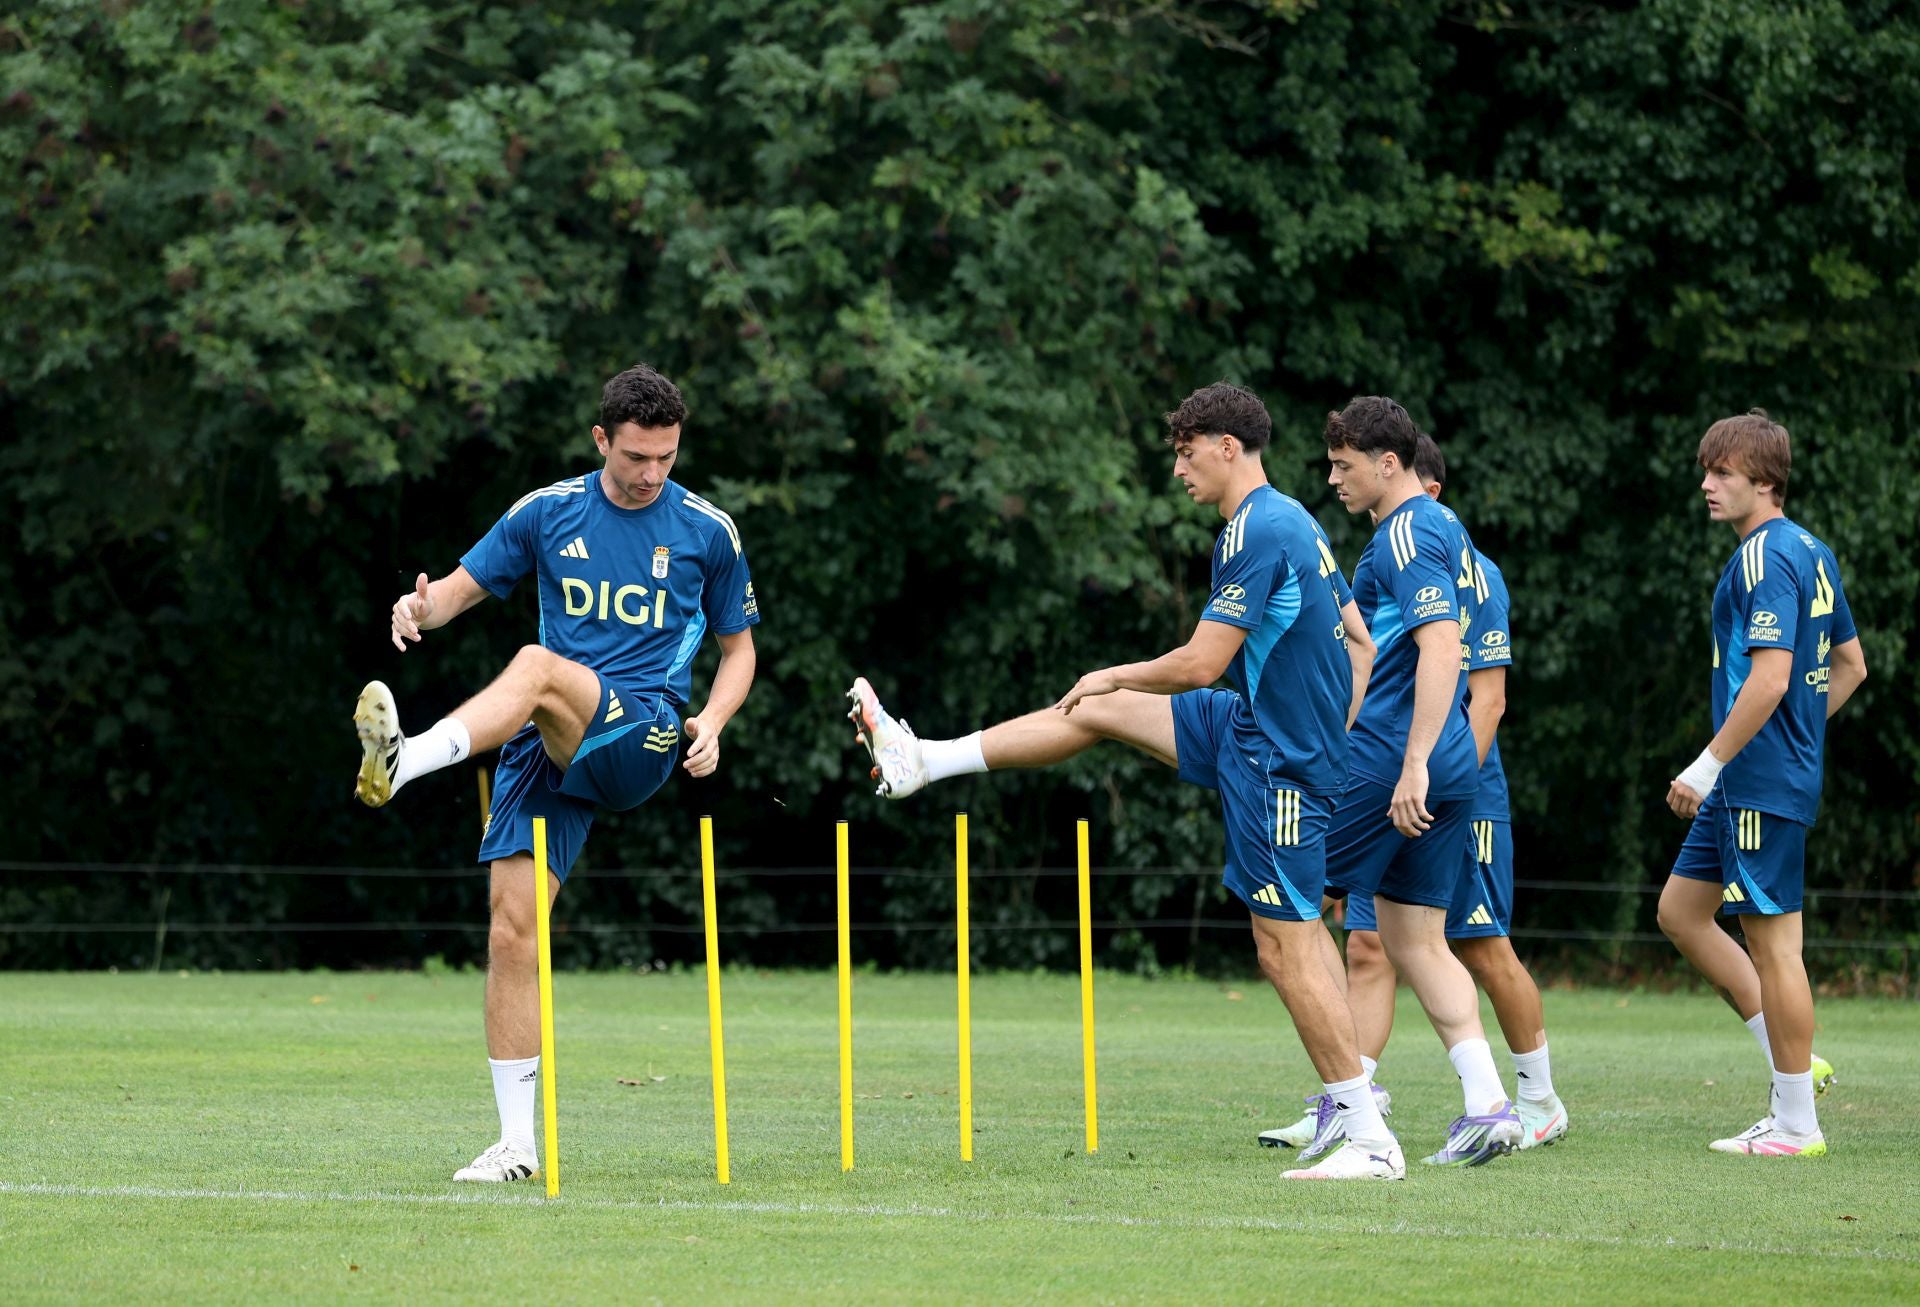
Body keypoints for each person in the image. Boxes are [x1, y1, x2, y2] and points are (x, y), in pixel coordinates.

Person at [848, 381, 1408, 1180]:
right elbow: (1359, 639)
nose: (1178, 470)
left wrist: (1117, 669)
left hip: (1279, 763)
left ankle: (1369, 1138)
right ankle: (924, 760)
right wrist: (1328, 722)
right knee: (1097, 712)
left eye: (1186, 454)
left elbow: (1200, 661)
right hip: (1249, 729)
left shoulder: (1259, 527)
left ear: (1226, 447)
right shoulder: (1294, 521)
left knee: (1283, 944)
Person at [351, 363, 760, 1182]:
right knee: (511, 932)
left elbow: (738, 651)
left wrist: (711, 721)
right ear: (601, 439)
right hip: (546, 742)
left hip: (642, 732)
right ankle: (515, 1145)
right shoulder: (547, 512)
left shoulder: (708, 532)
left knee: (537, 665)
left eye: (667, 458)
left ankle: (408, 759)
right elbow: (458, 592)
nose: (651, 474)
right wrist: (416, 608)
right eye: (636, 456)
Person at [1261, 433, 1568, 1153]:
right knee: (1415, 941)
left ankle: (1354, 1112)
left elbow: (1438, 647)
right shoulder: (1443, 529)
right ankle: (1489, 1104)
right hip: (1447, 762)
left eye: (1343, 465)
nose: (1332, 478)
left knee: (1286, 915)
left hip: (1394, 759)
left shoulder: (1406, 531)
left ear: (1388, 464)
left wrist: (1413, 764)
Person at [1655, 409, 1865, 1157]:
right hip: (1757, 777)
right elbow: (1850, 666)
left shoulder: (1763, 556)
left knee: (1777, 949)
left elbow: (1774, 677)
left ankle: (1797, 1122)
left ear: (1765, 482)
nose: (1708, 484)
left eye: (1724, 474)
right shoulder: (1812, 548)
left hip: (1752, 782)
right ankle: (1792, 1074)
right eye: (1708, 470)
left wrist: (1712, 761)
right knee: (1681, 911)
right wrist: (1799, 737)